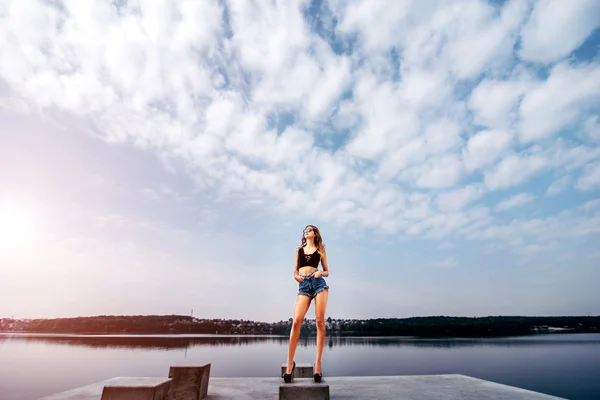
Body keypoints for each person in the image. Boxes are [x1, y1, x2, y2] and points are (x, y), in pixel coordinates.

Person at [282, 225, 330, 383]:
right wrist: (295, 276)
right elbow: (294, 270)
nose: (306, 231)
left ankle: (318, 365)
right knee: (296, 321)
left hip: (318, 284)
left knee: (320, 321)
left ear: (315, 233)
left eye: (309, 229)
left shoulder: (321, 250)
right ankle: (290, 364)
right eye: (305, 230)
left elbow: (327, 271)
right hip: (303, 285)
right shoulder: (298, 250)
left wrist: (319, 272)